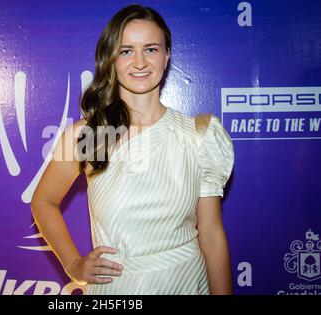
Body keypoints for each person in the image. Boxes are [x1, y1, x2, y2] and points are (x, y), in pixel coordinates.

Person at [31, 4, 234, 295]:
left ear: (167, 55)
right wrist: (73, 264)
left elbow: (212, 234)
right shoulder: (86, 135)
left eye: (150, 49)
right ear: (110, 59)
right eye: (126, 51)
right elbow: (43, 201)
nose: (139, 62)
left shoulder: (199, 135)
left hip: (187, 281)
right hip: (116, 288)